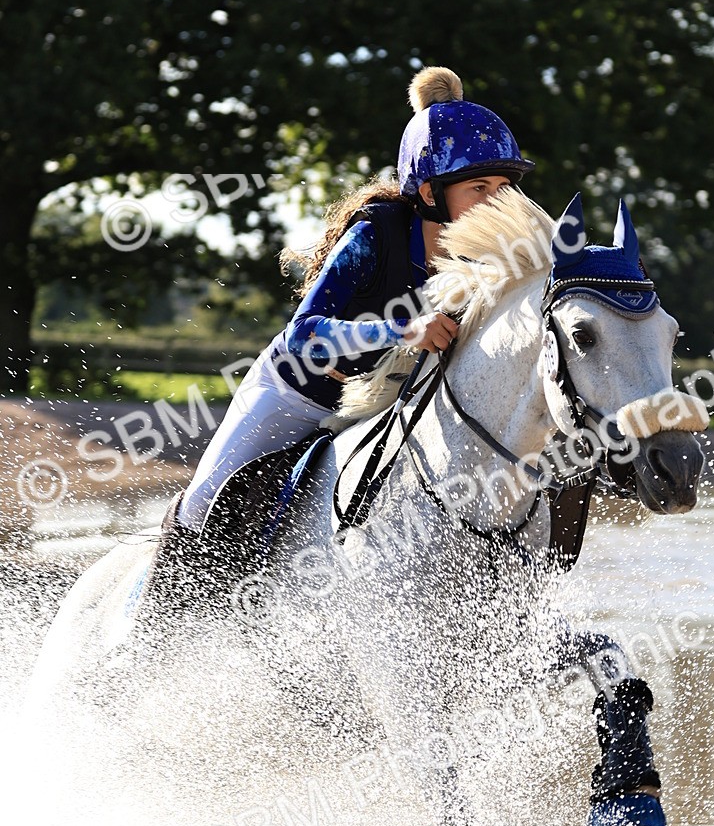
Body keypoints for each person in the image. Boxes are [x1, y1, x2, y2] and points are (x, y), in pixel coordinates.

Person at [140, 65, 537, 606]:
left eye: (505, 188)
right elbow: (303, 334)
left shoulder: (491, 259)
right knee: (202, 507)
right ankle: (146, 622)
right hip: (295, 395)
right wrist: (403, 329)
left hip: (386, 408)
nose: (496, 201)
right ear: (429, 192)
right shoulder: (374, 235)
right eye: (479, 187)